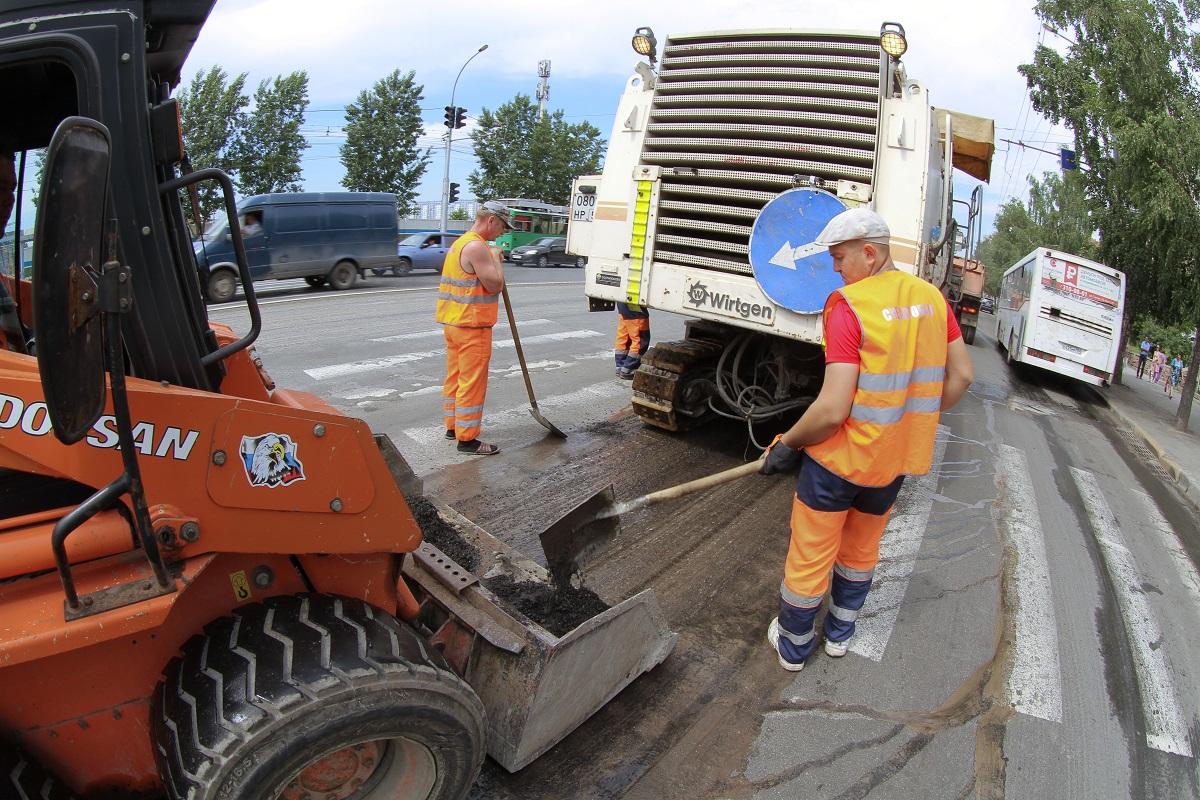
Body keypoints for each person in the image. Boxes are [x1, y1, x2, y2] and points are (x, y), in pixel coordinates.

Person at [759, 207, 973, 672]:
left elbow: (833, 409)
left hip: (839, 463)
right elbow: (962, 376)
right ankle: (839, 635)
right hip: (892, 463)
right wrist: (909, 417)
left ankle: (794, 646)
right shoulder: (934, 301)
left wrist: (788, 443)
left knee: (813, 551)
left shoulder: (850, 305)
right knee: (860, 551)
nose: (836, 269)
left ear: (869, 254)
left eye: (840, 258)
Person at [436, 200, 513, 456]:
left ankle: (453, 427)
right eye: (502, 226)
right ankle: (467, 439)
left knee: (455, 377)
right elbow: (495, 285)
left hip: (454, 323)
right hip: (472, 326)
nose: (502, 232)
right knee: (472, 382)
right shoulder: (477, 247)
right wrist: (495, 258)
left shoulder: (459, 243)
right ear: (491, 220)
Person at [614, 301, 650, 379]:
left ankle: (620, 367)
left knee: (625, 337)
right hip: (634, 303)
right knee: (640, 340)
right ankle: (629, 369)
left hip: (623, 302)